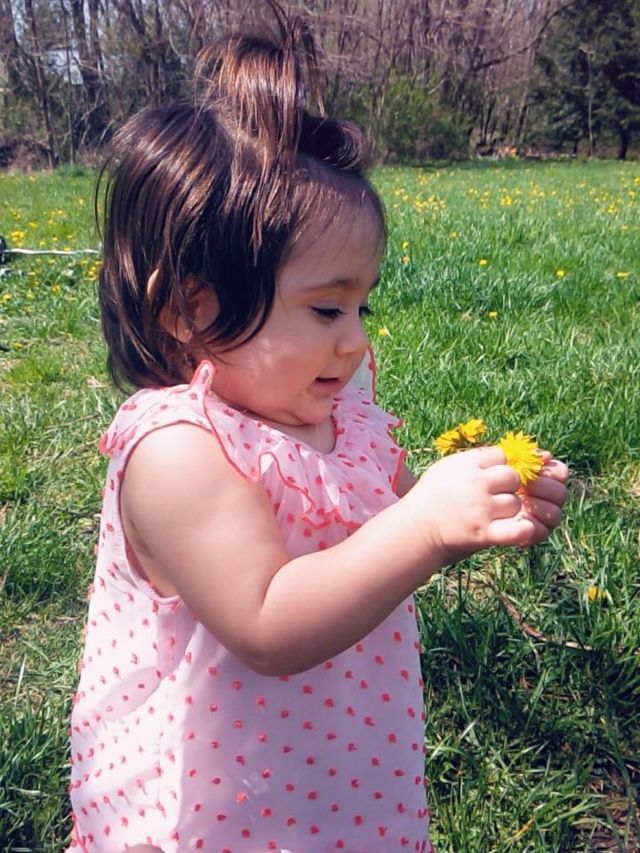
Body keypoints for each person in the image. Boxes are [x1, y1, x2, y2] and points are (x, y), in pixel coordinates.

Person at [68, 3, 569, 851]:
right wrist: (426, 527)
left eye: (362, 305)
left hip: (338, 785)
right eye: (328, 308)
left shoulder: (339, 415)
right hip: (208, 813)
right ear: (191, 307)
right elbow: (268, 623)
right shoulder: (177, 451)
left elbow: (386, 519)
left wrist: (477, 505)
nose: (357, 338)